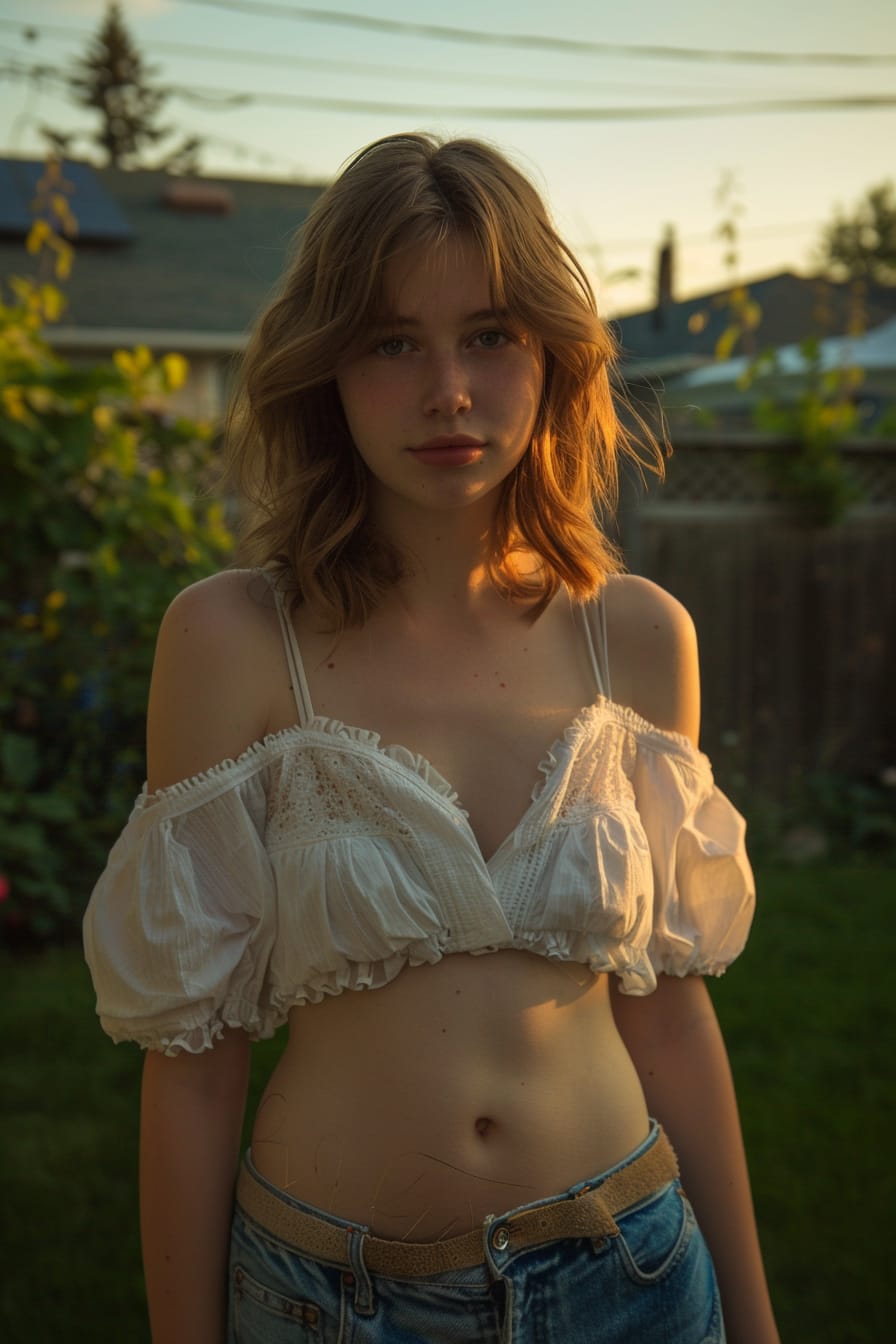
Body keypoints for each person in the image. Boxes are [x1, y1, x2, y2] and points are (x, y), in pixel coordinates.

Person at [83, 132, 779, 1344]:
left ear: (553, 359)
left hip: (635, 1279)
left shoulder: (638, 640)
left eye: (490, 335)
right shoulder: (237, 642)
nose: (446, 388)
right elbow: (194, 1067)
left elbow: (665, 1013)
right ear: (328, 371)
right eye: (392, 340)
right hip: (327, 1305)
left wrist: (755, 1322)